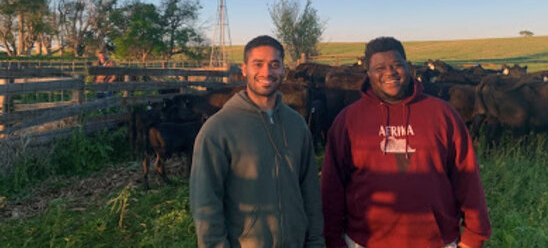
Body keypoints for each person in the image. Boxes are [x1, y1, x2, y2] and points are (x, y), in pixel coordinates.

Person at [321, 37, 491, 248]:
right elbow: (332, 186)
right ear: (368, 74)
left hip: (435, 241)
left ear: (407, 67)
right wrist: (332, 238)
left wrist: (474, 236)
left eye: (396, 65)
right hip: (364, 241)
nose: (390, 73)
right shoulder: (348, 120)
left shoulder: (442, 114)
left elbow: (467, 177)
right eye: (379, 68)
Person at [190, 35, 324, 248]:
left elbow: (310, 190)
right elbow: (205, 203)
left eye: (274, 64)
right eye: (258, 64)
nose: (267, 72)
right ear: (244, 69)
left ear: (283, 70)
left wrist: (316, 241)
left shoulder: (296, 124)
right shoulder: (218, 129)